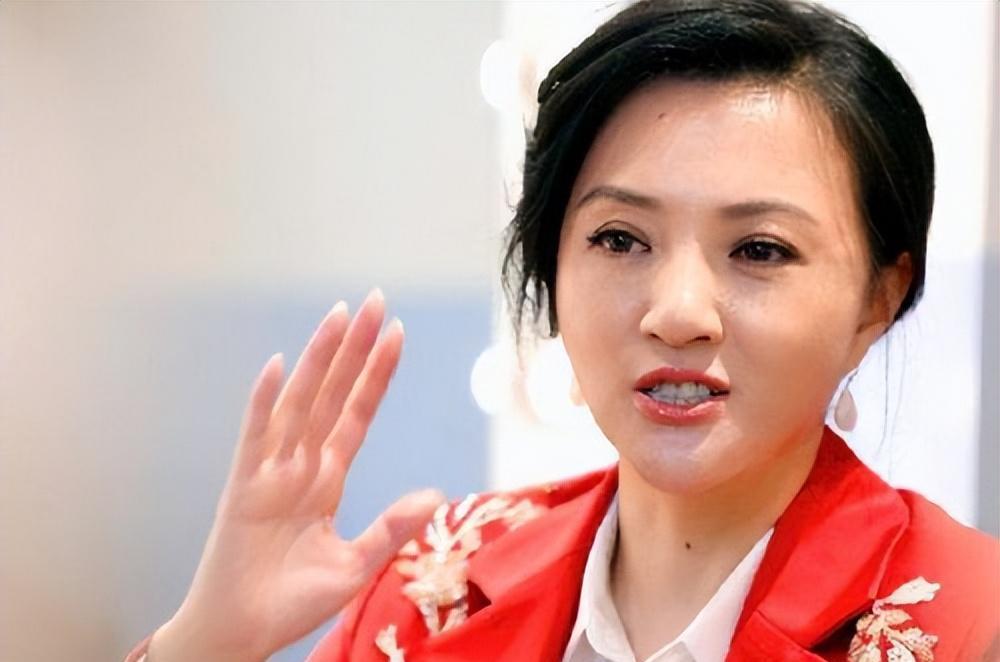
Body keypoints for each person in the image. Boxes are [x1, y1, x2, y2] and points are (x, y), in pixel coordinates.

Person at [125, 0, 999, 660]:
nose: (677, 313)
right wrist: (208, 643)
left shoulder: (971, 622)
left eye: (759, 250)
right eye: (620, 239)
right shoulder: (433, 590)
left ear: (878, 299)